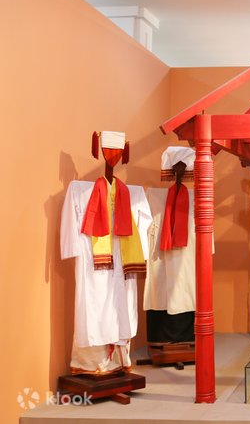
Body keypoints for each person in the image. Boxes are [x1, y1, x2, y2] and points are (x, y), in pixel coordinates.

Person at [60, 131, 152, 375]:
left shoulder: (132, 193)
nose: (113, 157)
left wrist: (139, 253)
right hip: (94, 261)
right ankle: (90, 364)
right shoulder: (80, 191)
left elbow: (145, 223)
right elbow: (69, 221)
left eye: (117, 152)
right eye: (109, 151)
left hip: (122, 260)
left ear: (124, 153)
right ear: (99, 150)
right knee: (95, 306)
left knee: (121, 307)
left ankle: (119, 361)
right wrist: (74, 249)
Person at [143, 147, 196, 345]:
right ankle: (161, 342)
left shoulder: (197, 196)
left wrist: (207, 250)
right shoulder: (153, 196)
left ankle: (187, 341)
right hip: (160, 251)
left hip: (188, 253)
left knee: (185, 290)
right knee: (160, 291)